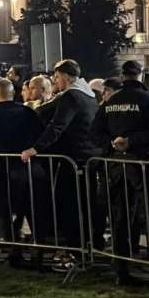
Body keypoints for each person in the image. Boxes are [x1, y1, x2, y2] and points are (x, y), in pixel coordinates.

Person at [91, 59, 149, 291]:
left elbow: (94, 133)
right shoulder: (148, 100)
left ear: (122, 77)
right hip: (144, 166)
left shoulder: (110, 101)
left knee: (121, 219)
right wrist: (132, 142)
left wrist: (113, 145)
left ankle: (122, 271)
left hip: (116, 167)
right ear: (141, 76)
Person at [21, 59, 99, 254]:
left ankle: (74, 250)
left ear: (65, 76)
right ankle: (89, 245)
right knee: (86, 204)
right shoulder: (88, 96)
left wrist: (35, 148)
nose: (55, 81)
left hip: (73, 158)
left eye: (56, 77)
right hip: (87, 158)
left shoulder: (71, 96)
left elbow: (57, 126)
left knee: (70, 205)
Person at [0, 78, 48, 266]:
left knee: (7, 213)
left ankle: (15, 251)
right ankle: (38, 252)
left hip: (3, 172)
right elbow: (40, 135)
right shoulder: (28, 112)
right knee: (33, 212)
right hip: (30, 169)